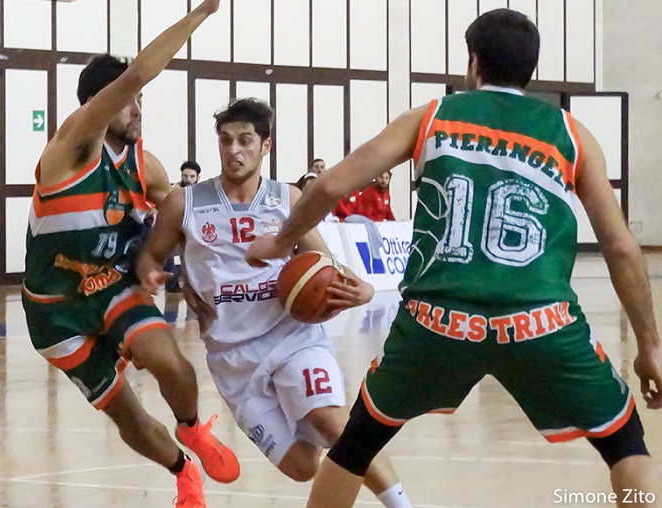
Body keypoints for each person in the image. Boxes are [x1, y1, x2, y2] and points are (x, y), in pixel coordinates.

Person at [247, 9, 662, 508]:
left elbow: (332, 184)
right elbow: (620, 245)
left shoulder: (433, 116)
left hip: (438, 322)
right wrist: (650, 346)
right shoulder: (571, 134)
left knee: (356, 445)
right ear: (531, 70)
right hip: (540, 322)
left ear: (473, 62)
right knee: (624, 443)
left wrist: (280, 242)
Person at [137, 98, 413, 508]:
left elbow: (326, 262)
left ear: (266, 145)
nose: (234, 150)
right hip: (233, 361)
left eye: (245, 140)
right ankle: (336, 457)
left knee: (334, 425)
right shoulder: (185, 203)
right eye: (225, 140)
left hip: (293, 337)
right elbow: (149, 255)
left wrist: (365, 290)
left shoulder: (288, 199)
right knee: (302, 466)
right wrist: (151, 274)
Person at [21, 2, 240, 507]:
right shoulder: (70, 148)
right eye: (128, 100)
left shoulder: (149, 168)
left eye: (140, 100)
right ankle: (183, 471)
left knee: (172, 365)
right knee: (129, 416)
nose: (138, 108)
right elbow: (139, 70)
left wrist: (196, 280)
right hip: (55, 313)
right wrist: (202, 12)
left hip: (113, 287)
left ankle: (191, 428)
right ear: (98, 104)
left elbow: (186, 223)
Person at [165, 160, 203, 293]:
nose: (188, 179)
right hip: (175, 227)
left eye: (192, 176)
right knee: (171, 254)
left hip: (194, 228)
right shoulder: (174, 191)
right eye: (185, 176)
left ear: (198, 177)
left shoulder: (201, 192)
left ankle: (194, 284)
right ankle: (172, 284)